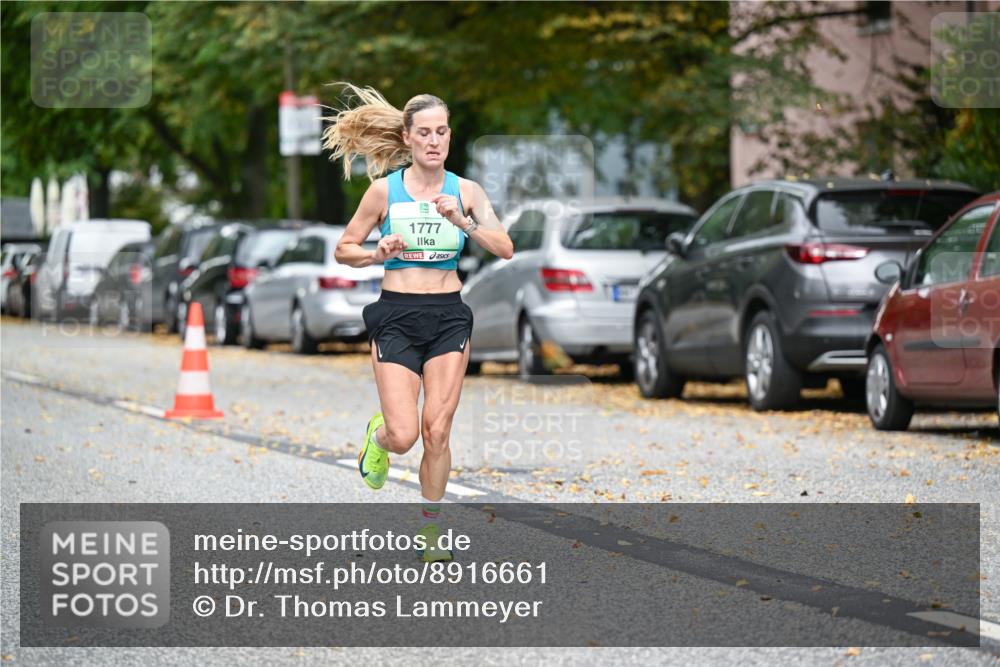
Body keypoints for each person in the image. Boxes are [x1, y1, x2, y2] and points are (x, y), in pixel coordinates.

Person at [324, 84, 513, 562]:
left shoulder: (466, 192)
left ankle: (430, 533)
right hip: (396, 317)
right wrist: (376, 253)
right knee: (405, 435)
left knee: (438, 431)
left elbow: (505, 247)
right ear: (407, 137)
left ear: (449, 136)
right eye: (424, 132)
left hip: (448, 316)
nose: (434, 141)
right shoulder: (383, 191)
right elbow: (344, 249)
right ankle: (379, 437)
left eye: (442, 132)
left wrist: (464, 222)